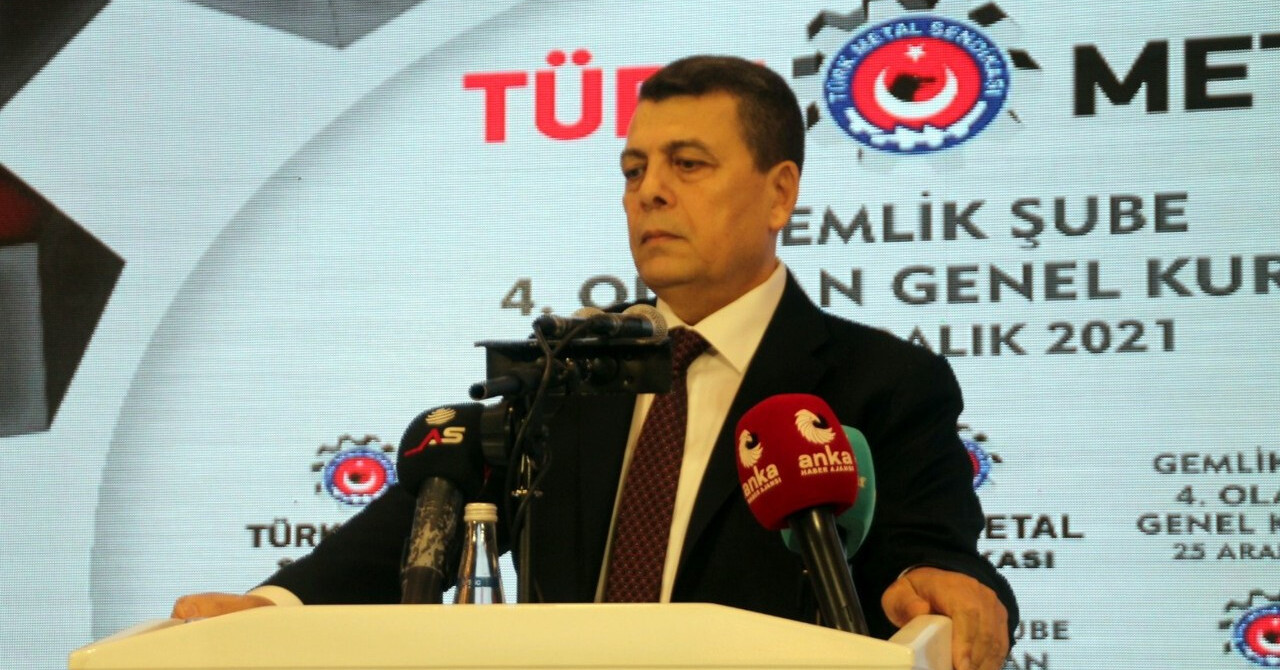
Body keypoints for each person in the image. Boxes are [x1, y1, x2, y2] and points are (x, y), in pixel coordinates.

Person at [174, 55, 1016, 670]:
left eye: (688, 164)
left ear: (780, 192)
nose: (649, 191)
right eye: (634, 169)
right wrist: (273, 606)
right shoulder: (570, 369)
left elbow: (932, 552)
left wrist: (940, 584)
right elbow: (434, 503)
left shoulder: (880, 383)